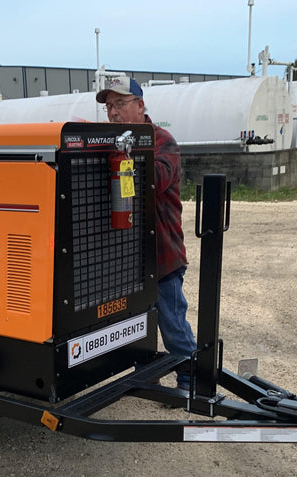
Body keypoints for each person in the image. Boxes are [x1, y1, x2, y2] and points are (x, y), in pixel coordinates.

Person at [96, 77, 196, 391]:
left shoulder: (163, 141)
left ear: (140, 105)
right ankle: (144, 376)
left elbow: (156, 181)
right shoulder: (106, 145)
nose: (114, 113)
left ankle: (190, 381)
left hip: (162, 255)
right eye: (110, 106)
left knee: (171, 322)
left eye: (121, 104)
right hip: (127, 258)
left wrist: (128, 157)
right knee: (133, 322)